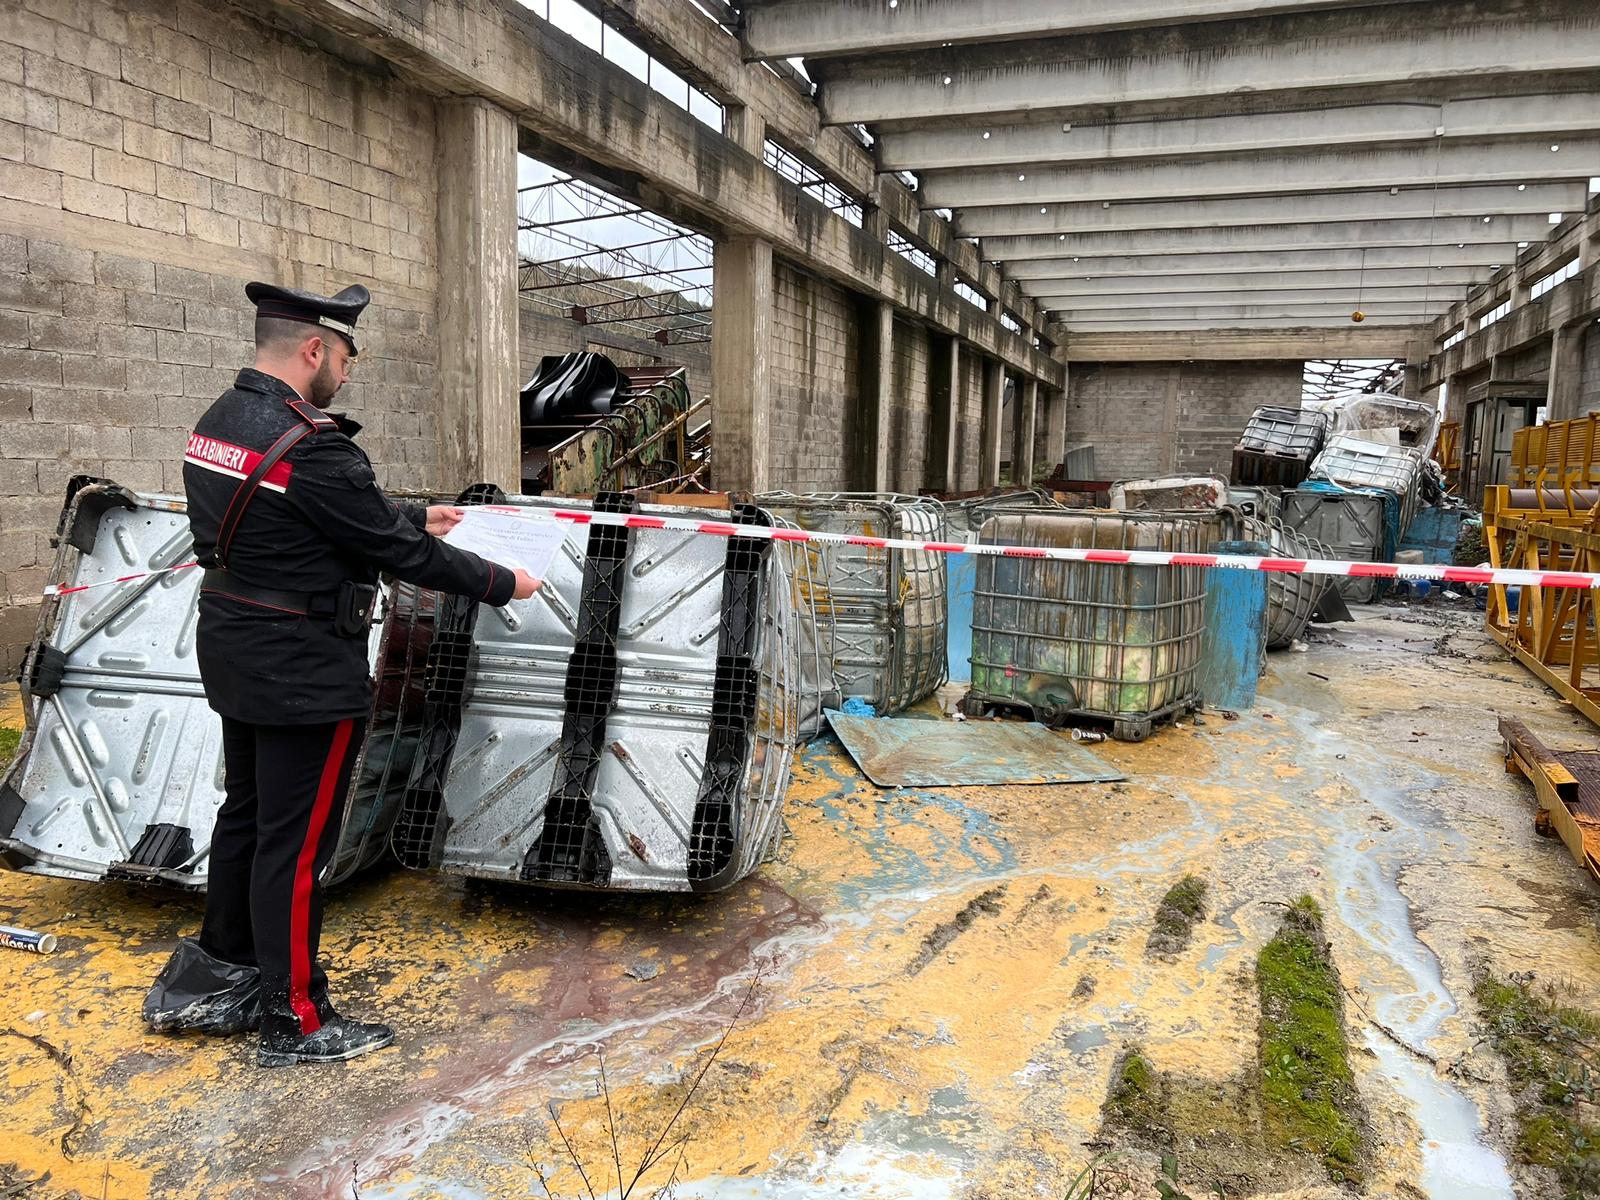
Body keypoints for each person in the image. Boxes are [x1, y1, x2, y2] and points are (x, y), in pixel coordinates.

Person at [142, 281, 539, 1067]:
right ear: (314, 349)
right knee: (297, 848)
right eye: (347, 358)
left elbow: (309, 512)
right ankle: (297, 1021)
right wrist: (504, 581)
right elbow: (397, 552)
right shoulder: (313, 443)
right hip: (304, 667)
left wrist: (415, 514)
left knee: (249, 817)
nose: (348, 374)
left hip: (234, 645)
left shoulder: (220, 420)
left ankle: (226, 970)